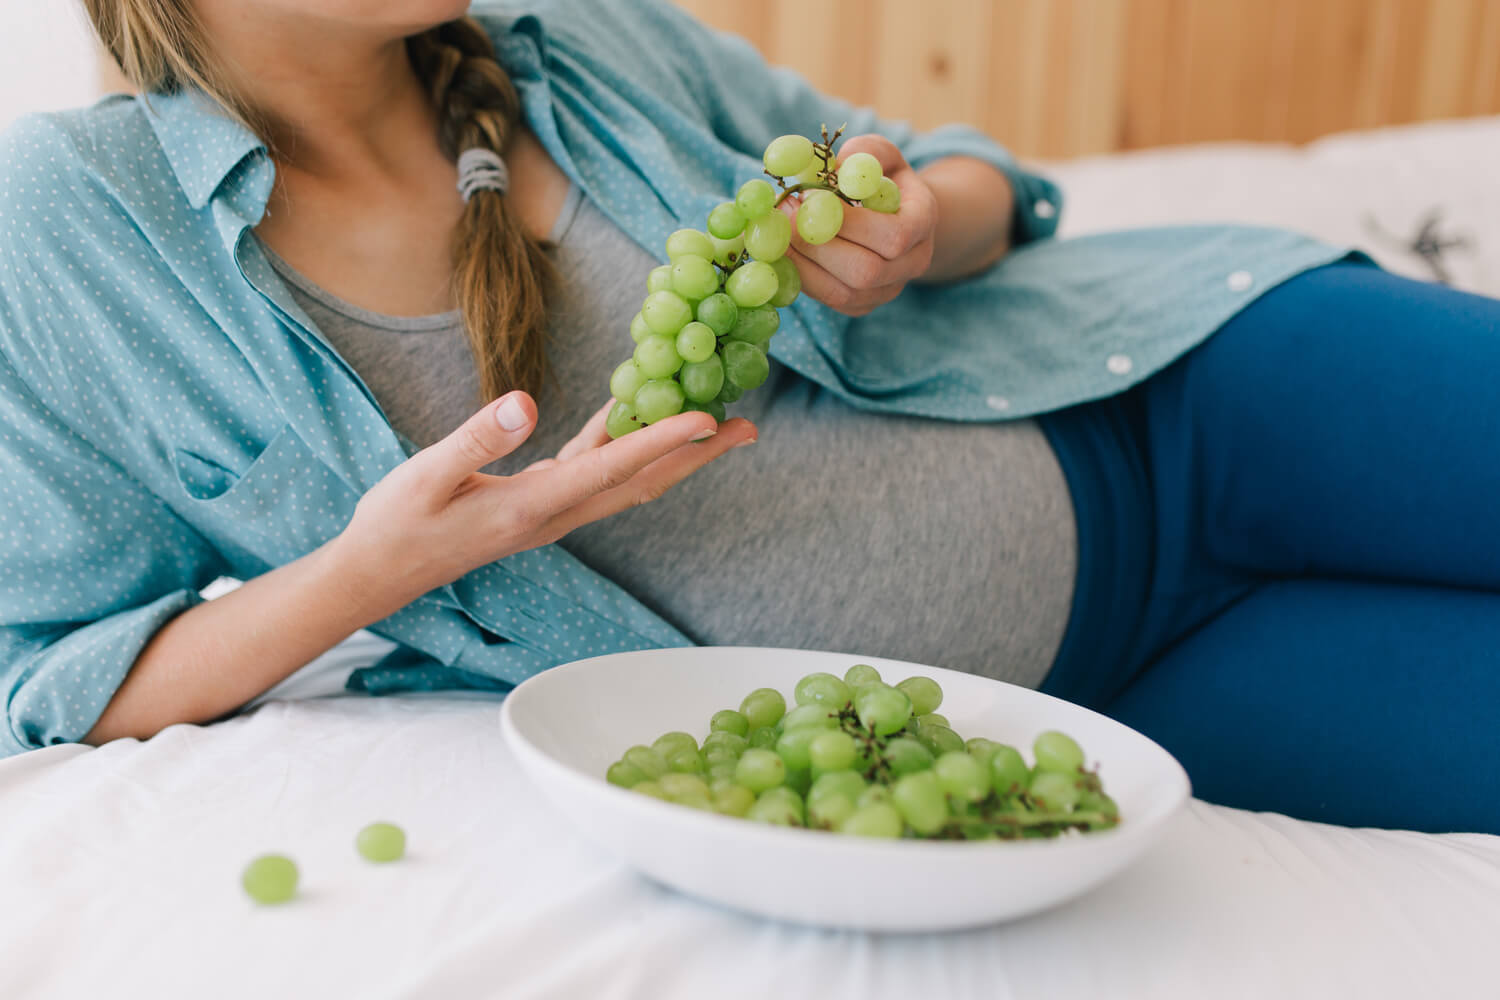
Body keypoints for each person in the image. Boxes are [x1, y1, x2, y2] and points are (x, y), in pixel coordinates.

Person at [1, 0, 1495, 835]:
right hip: (1106, 704)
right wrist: (370, 574)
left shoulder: (564, 35)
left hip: (1194, 388)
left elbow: (964, 171)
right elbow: (46, 679)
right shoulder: (71, 233)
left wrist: (919, 223)